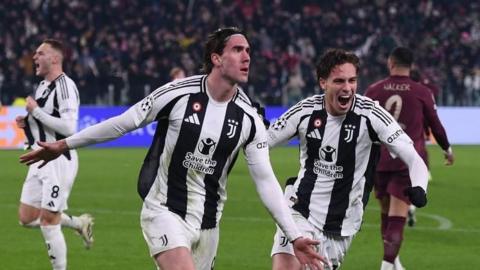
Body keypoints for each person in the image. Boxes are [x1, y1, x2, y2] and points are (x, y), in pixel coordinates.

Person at [20, 27, 325, 270]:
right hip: (165, 210)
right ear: (216, 58)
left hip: (208, 224)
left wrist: (294, 235)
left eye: (248, 51)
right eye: (237, 49)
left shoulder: (248, 117)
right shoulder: (179, 93)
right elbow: (124, 122)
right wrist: (64, 144)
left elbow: (265, 180)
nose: (247, 56)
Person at [267, 48, 431, 270]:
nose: (347, 88)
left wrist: (420, 187)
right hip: (300, 208)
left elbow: (413, 157)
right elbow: (264, 141)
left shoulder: (371, 115)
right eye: (339, 81)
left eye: (352, 80)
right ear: (323, 82)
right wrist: (255, 124)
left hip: (342, 225)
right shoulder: (306, 111)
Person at [365, 47, 454, 270]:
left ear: (390, 62)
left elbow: (360, 122)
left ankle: (393, 261)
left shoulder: (374, 89)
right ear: (411, 66)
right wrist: (447, 148)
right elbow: (435, 124)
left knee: (386, 214)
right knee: (397, 215)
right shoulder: (421, 91)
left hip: (379, 160)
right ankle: (387, 264)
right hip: (407, 160)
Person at [15, 39, 94, 270]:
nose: (34, 57)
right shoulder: (43, 86)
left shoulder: (65, 87)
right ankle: (79, 223)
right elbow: (47, 121)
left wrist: (36, 112)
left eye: (40, 53)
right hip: (39, 158)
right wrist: (28, 122)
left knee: (49, 222)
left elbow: (70, 128)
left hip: (58, 159)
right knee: (27, 218)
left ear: (55, 58)